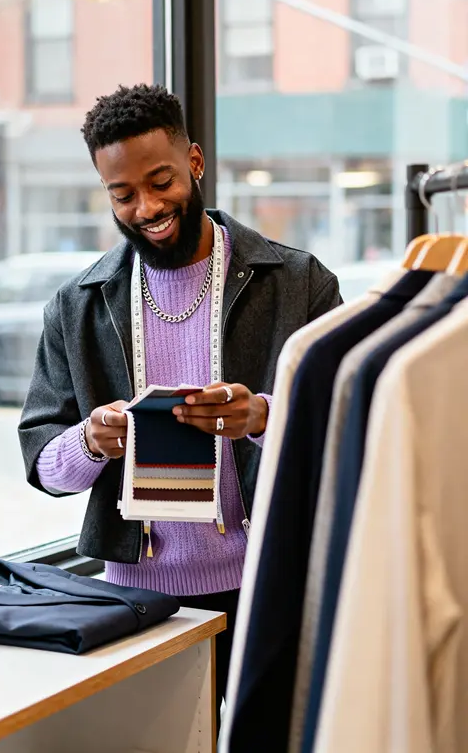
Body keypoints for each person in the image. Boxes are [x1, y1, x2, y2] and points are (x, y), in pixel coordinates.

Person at [19, 83, 341, 728]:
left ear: (194, 162)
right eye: (123, 194)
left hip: (271, 582)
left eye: (161, 180)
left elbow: (343, 433)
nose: (147, 207)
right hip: (140, 599)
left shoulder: (298, 282)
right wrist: (92, 441)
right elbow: (43, 463)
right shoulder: (79, 305)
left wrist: (261, 418)